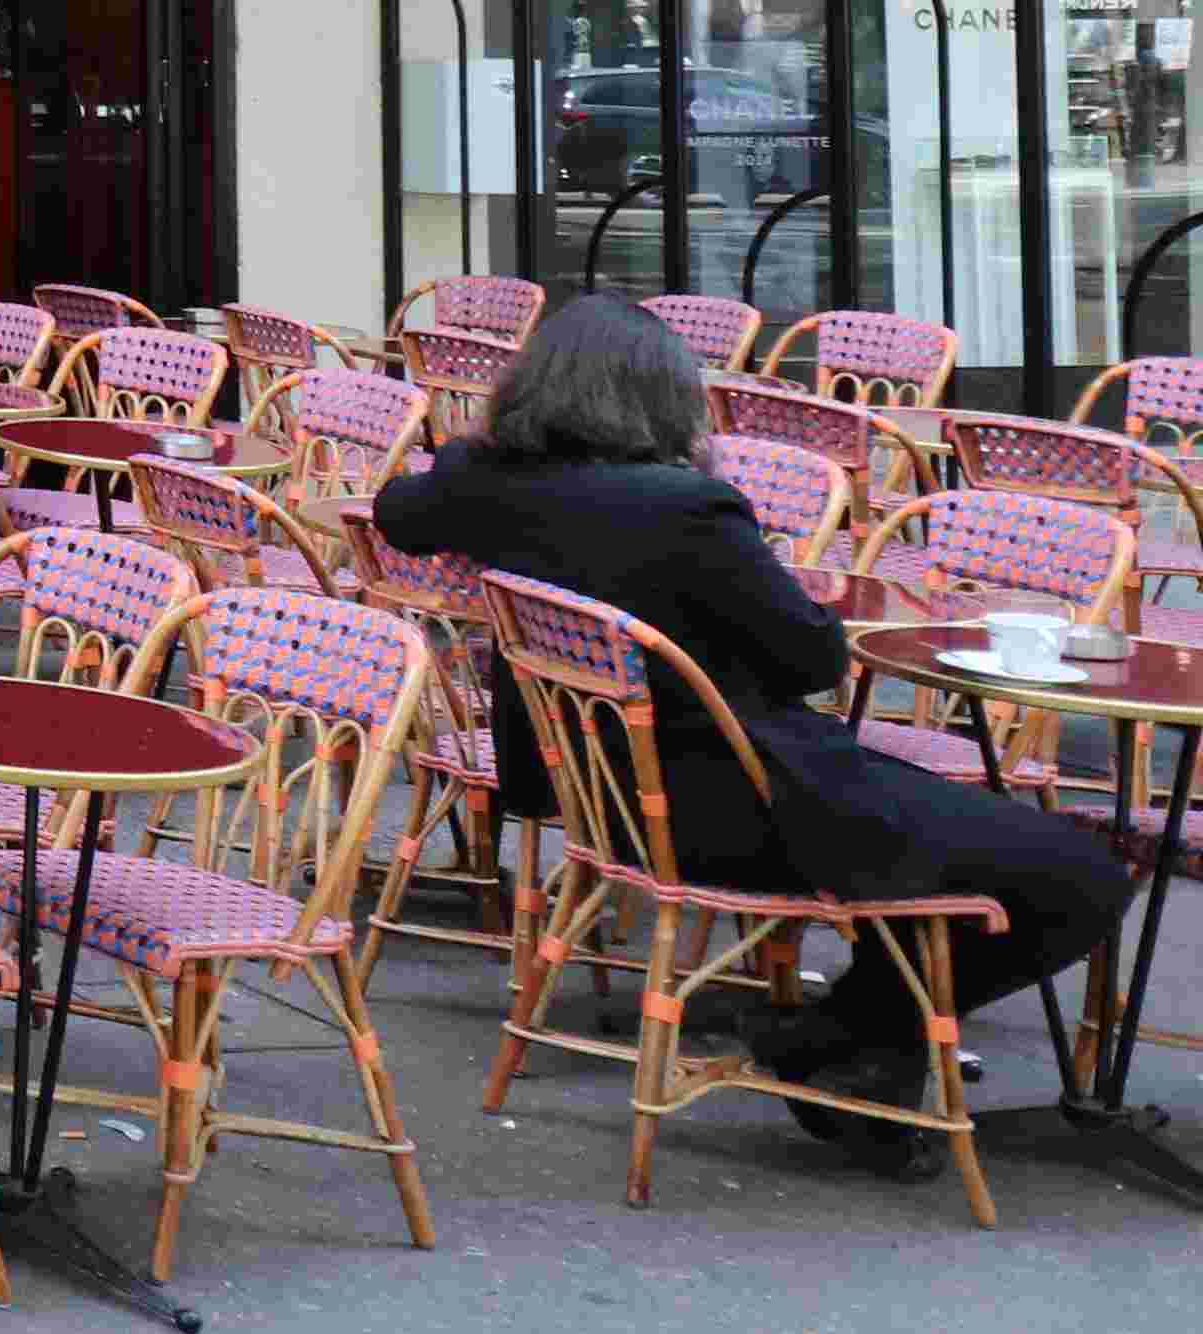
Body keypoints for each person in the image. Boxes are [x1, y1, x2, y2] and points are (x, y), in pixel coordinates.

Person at [372, 294, 1123, 1167]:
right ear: (666, 400)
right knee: (1085, 875)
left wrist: (466, 461)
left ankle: (866, 1068)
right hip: (739, 801)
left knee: (935, 843)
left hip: (591, 794)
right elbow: (813, 661)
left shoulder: (484, 482)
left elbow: (396, 512)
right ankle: (831, 1039)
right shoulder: (691, 510)